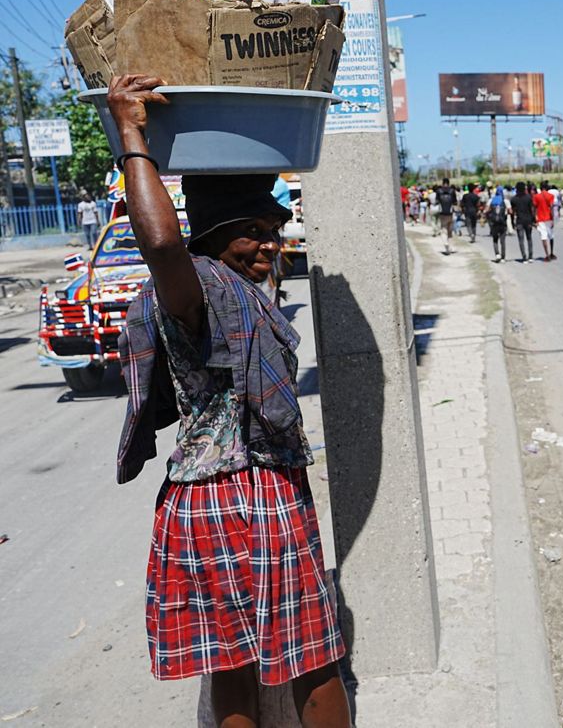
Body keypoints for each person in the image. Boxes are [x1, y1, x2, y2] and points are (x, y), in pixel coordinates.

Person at [106, 74, 349, 726]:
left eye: (273, 228)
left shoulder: (232, 290)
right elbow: (162, 244)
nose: (270, 243)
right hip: (252, 496)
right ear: (212, 236)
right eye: (252, 230)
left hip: (200, 500)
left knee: (233, 661)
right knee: (313, 655)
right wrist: (131, 134)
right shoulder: (200, 287)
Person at [511, 181, 536, 262]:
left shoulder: (514, 199)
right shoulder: (528, 198)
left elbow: (513, 212)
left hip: (519, 221)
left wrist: (512, 222)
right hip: (528, 220)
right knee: (529, 238)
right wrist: (534, 220)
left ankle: (524, 257)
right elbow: (532, 210)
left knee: (521, 240)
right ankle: (530, 256)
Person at [533, 181, 557, 261]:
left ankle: (547, 255)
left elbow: (535, 208)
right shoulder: (551, 196)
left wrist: (535, 219)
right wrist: (553, 219)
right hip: (549, 218)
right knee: (551, 235)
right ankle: (552, 252)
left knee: (543, 237)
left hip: (540, 218)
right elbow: (551, 207)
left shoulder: (536, 196)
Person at [487, 185, 509, 262]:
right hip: (503, 222)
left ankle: (497, 254)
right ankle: (503, 257)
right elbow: (510, 211)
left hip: (494, 223)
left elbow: (486, 210)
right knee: (503, 241)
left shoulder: (491, 200)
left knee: (495, 239)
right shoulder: (505, 201)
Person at [436, 178, 458, 253]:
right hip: (450, 213)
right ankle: (450, 247)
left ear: (442, 183)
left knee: (443, 229)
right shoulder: (452, 191)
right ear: (448, 183)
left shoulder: (439, 191)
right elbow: (455, 202)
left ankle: (445, 243)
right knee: (450, 231)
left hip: (442, 213)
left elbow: (436, 201)